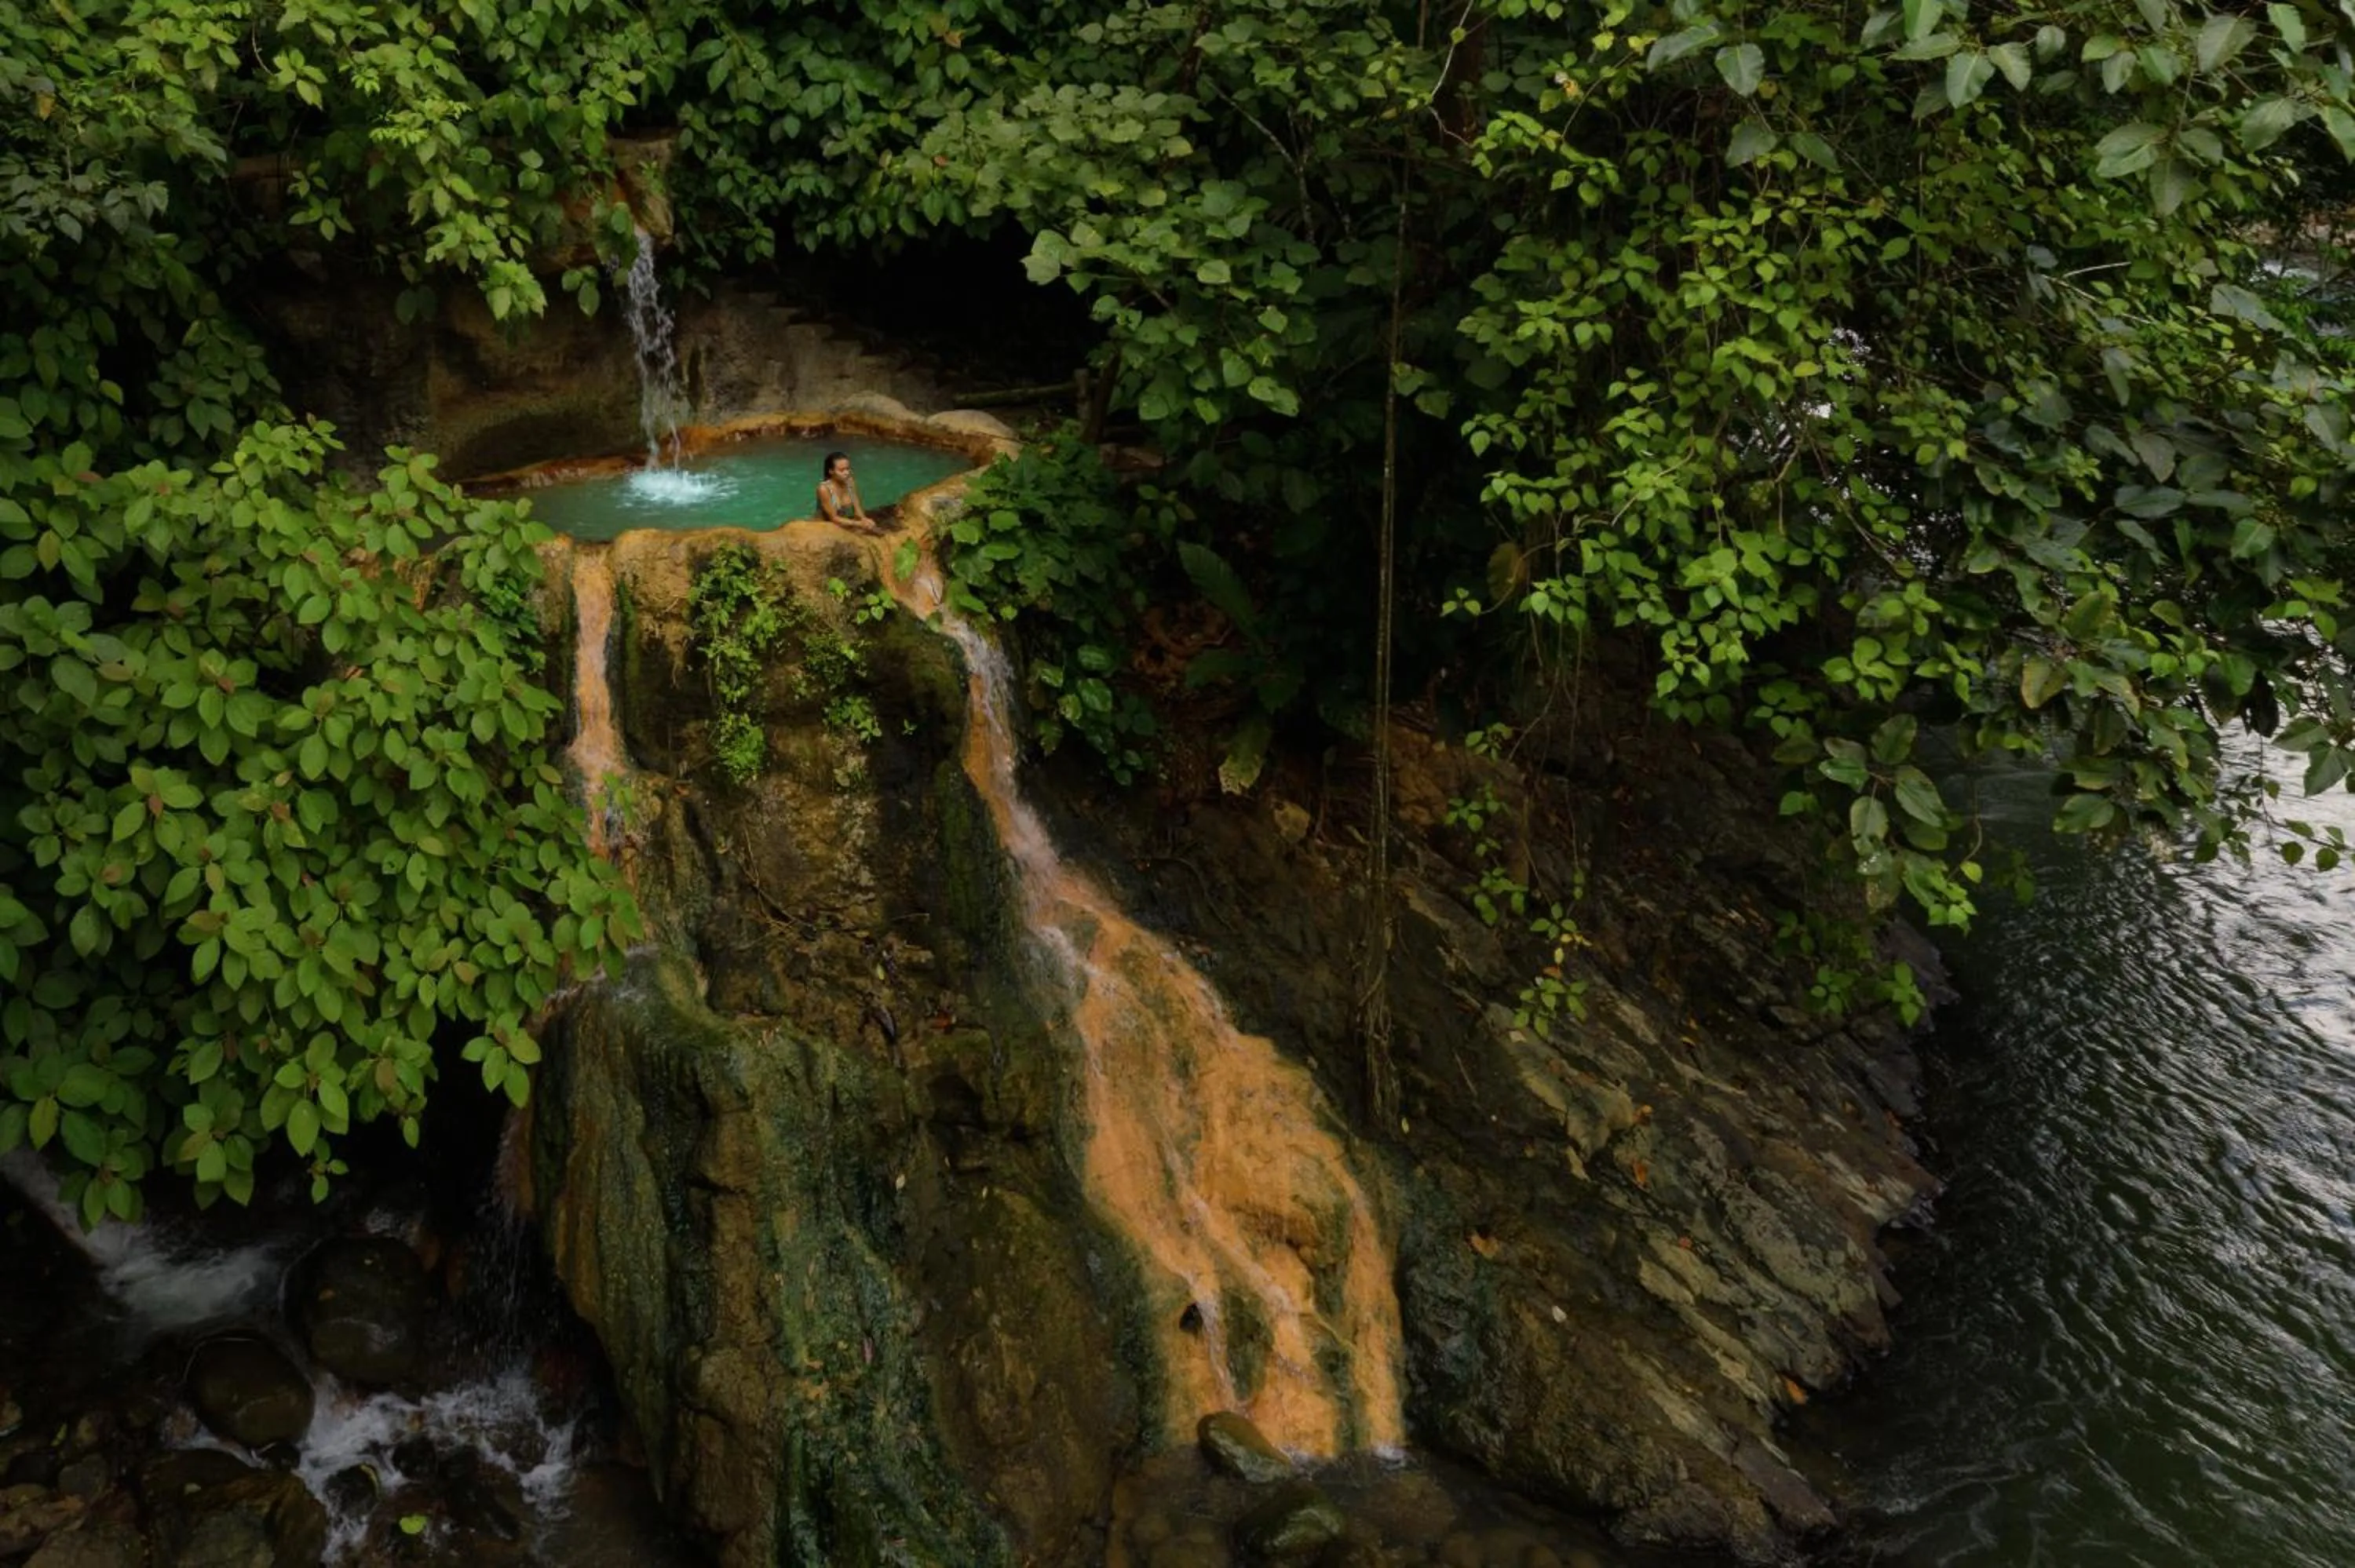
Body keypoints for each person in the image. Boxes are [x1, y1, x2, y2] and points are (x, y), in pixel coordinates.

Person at [816, 450, 878, 532]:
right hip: (826, 525)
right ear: (831, 471)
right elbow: (834, 518)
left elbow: (858, 510)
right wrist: (858, 524)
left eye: (847, 469)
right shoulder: (824, 489)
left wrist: (865, 520)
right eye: (841, 470)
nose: (846, 473)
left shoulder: (850, 482)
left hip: (844, 521)